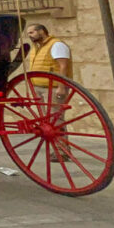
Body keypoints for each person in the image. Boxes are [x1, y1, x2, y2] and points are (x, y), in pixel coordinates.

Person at [26, 23, 73, 162]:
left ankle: (62, 151)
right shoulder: (37, 48)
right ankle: (57, 149)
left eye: (32, 32)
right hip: (40, 86)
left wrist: (61, 87)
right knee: (47, 121)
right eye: (28, 33)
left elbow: (63, 66)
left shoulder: (56, 45)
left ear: (42, 31)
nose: (30, 35)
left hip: (53, 87)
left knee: (56, 120)